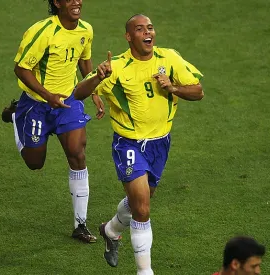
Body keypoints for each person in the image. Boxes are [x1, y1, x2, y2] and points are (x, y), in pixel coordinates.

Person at [74, 14, 204, 274]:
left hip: (160, 144)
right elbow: (78, 93)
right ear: (128, 36)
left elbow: (198, 91)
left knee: (140, 201)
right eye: (140, 28)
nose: (148, 32)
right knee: (142, 208)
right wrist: (98, 77)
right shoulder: (117, 66)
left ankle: (110, 230)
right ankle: (145, 271)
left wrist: (173, 88)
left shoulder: (169, 59)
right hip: (129, 144)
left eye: (151, 27)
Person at [1, 0, 105, 243]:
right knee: (35, 163)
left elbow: (84, 60)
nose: (77, 2)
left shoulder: (85, 30)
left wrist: (94, 92)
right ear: (57, 3)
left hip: (68, 102)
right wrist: (48, 96)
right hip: (38, 104)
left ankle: (80, 225)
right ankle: (18, 115)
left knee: (77, 153)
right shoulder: (42, 32)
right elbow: (21, 69)